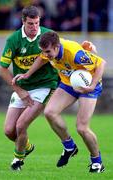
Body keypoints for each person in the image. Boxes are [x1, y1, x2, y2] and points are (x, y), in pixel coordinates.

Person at [0, 5, 96, 171]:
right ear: (23, 21)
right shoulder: (13, 40)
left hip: (45, 86)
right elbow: (2, 69)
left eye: (37, 23)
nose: (34, 27)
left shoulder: (46, 36)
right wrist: (20, 90)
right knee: (9, 130)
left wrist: (86, 49)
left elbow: (65, 48)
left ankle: (18, 160)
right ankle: (27, 146)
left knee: (21, 125)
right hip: (23, 87)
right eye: (30, 23)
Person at [14, 32, 106, 173]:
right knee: (50, 112)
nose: (46, 54)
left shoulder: (74, 53)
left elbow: (101, 64)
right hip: (68, 84)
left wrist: (92, 85)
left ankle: (97, 162)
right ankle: (69, 146)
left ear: (57, 47)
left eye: (48, 52)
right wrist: (27, 74)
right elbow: (42, 58)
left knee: (82, 128)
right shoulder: (48, 50)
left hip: (89, 85)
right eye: (43, 51)